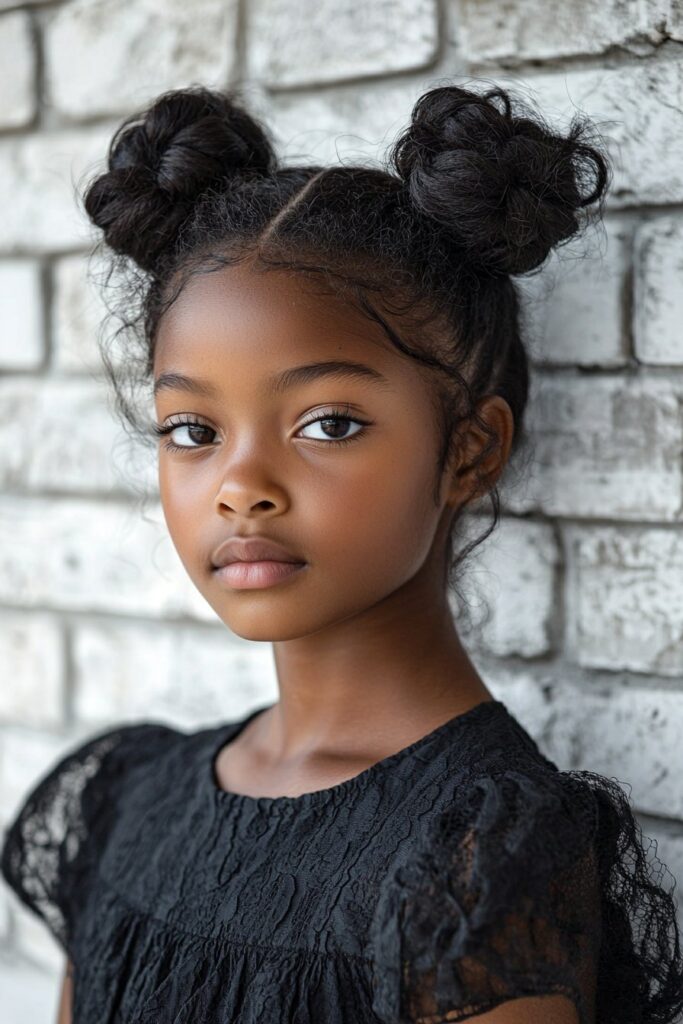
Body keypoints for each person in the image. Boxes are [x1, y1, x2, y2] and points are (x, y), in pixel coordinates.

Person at [1, 80, 682, 1024]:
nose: (242, 485)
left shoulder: (477, 857)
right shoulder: (127, 801)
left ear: (469, 449)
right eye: (192, 430)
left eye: (327, 422)